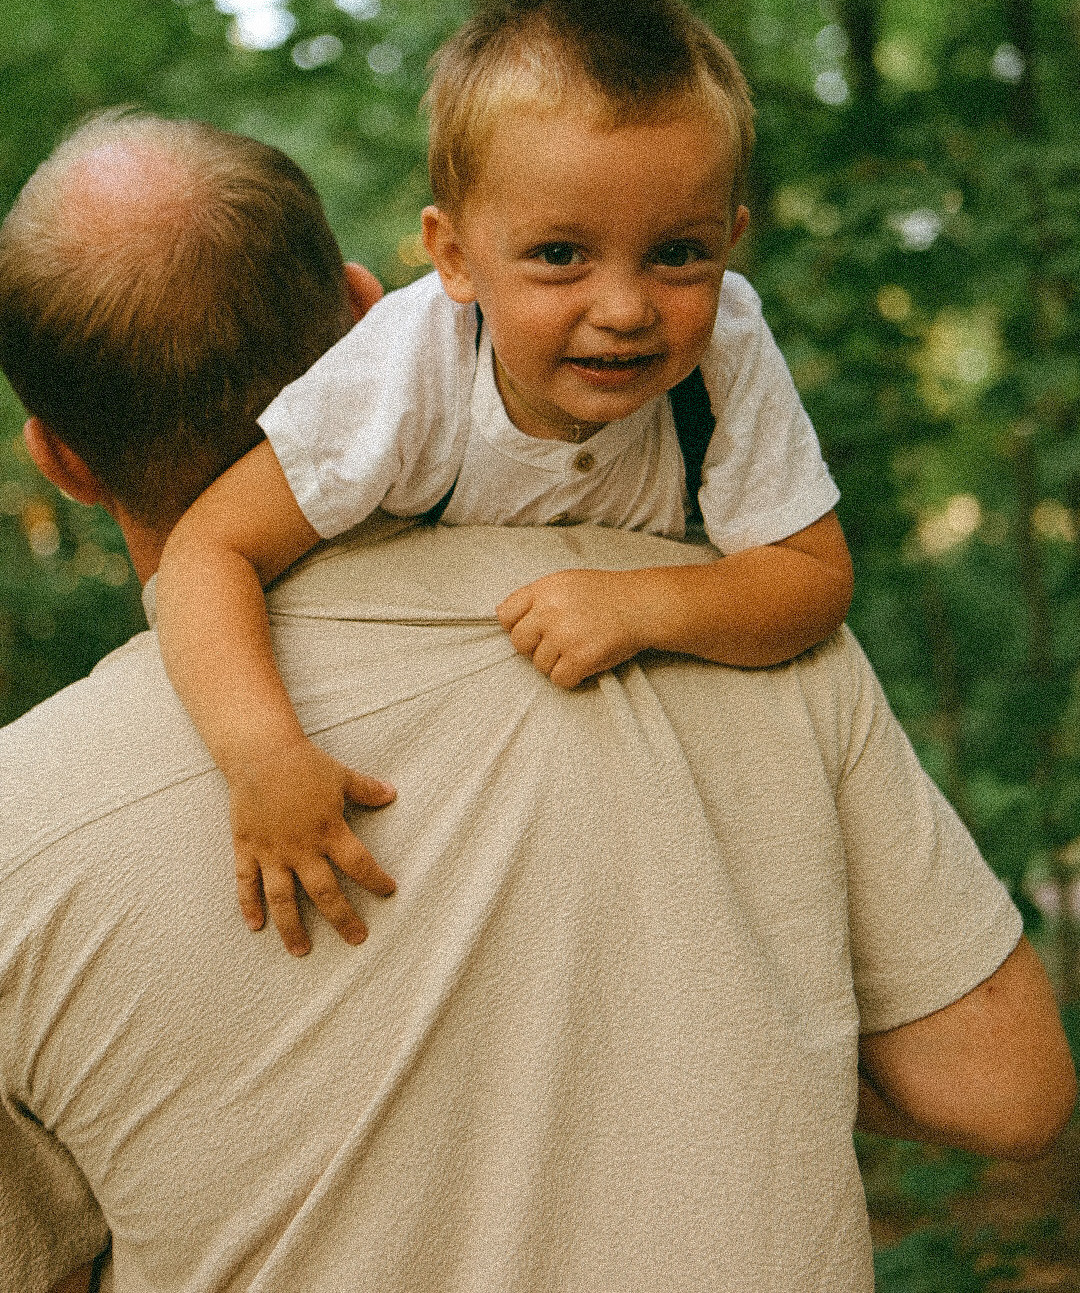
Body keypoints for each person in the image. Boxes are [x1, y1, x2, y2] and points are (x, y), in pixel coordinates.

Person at [0, 113, 1073, 1293]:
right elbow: (1006, 1087)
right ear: (376, 310)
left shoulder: (19, 831)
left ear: (61, 460)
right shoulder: (735, 621)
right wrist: (737, 1043)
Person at [153, 0, 855, 953]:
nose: (623, 309)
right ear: (454, 256)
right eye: (560, 254)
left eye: (679, 253)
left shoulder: (726, 353)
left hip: (632, 807)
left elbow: (814, 578)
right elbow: (206, 552)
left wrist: (642, 604)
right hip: (431, 777)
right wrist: (263, 752)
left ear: (731, 241)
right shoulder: (409, 373)